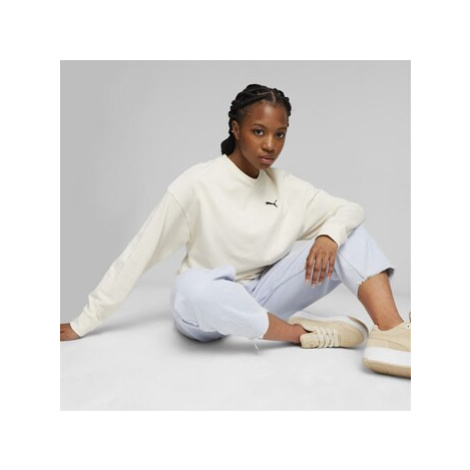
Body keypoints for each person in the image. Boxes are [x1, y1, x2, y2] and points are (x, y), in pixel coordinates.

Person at [60, 84, 411, 378]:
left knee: (349, 234)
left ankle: (393, 333)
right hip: (204, 311)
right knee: (191, 287)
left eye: (279, 134)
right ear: (236, 128)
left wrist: (329, 235)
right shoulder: (197, 184)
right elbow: (138, 253)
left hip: (264, 296)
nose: (270, 145)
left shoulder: (285, 186)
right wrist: (83, 322)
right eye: (259, 131)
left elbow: (351, 209)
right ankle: (301, 333)